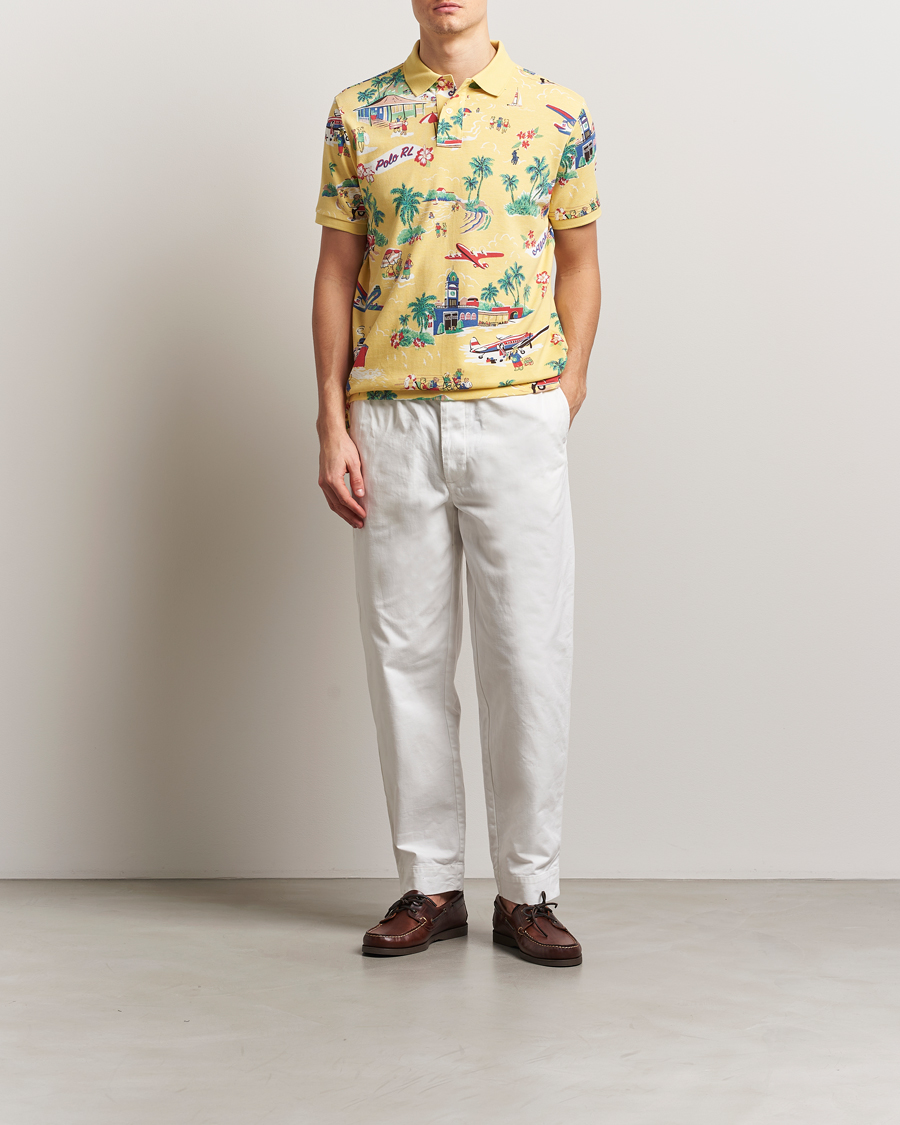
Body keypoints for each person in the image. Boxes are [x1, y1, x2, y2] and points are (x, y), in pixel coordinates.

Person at [312, 0, 601, 968]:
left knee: (528, 652)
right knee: (406, 655)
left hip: (516, 411)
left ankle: (530, 891)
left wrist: (566, 389)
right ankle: (431, 884)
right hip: (392, 417)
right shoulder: (359, 112)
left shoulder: (556, 111)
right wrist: (331, 419)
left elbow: (580, 262)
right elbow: (336, 272)